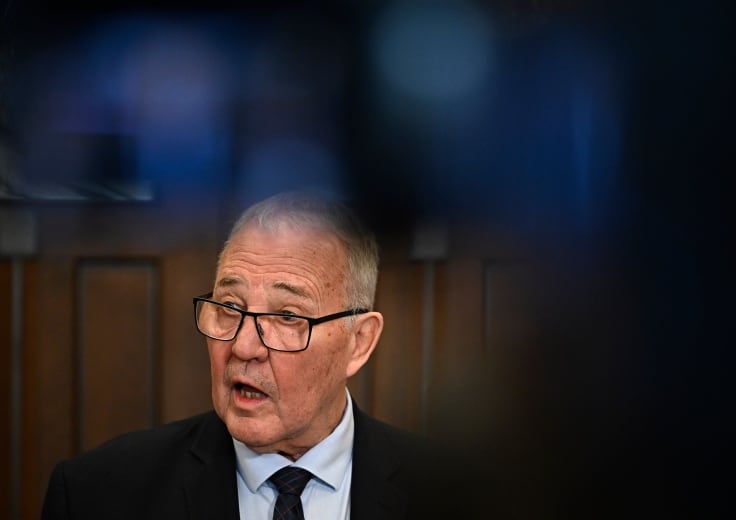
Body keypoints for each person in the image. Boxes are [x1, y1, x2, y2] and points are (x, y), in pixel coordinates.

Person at [41, 191, 470, 519]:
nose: (244, 347)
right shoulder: (97, 496)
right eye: (230, 307)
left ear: (358, 342)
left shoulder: (460, 499)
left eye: (286, 316)